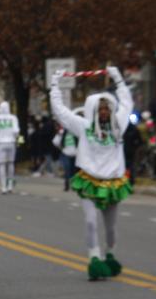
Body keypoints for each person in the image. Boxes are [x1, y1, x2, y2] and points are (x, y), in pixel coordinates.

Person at [49, 67, 133, 281]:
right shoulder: (84, 127)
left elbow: (127, 103)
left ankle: (110, 255)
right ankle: (94, 258)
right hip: (89, 180)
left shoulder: (118, 127)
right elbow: (60, 111)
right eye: (100, 110)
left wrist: (118, 79)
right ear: (94, 112)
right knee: (90, 221)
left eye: (107, 109)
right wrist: (54, 85)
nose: (104, 113)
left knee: (111, 228)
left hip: (113, 182)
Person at [0, 101, 20, 194]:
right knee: (11, 164)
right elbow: (16, 131)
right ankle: (10, 185)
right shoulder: (13, 118)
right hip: (11, 142)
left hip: (1, 143)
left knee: (2, 165)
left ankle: (3, 186)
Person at [57, 124, 78, 192]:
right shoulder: (63, 132)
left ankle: (73, 185)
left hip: (75, 154)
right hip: (66, 153)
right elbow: (59, 142)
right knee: (67, 169)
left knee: (73, 170)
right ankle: (66, 185)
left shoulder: (76, 132)